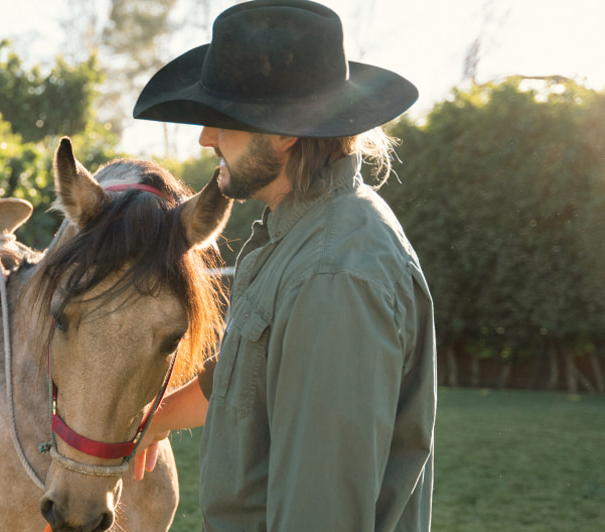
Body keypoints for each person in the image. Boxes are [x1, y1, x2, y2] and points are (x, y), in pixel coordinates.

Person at [130, 1, 437, 531]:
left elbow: (322, 512)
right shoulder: (298, 233)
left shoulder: (332, 274)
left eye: (222, 119)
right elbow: (246, 380)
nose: (205, 137)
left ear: (285, 132)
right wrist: (149, 423)